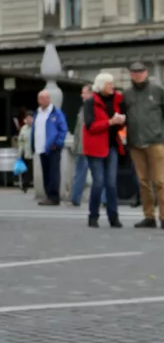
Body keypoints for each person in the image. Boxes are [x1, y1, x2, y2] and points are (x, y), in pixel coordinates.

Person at [123, 60, 164, 229]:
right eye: (134, 72)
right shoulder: (126, 94)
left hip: (156, 142)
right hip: (135, 143)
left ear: (146, 73)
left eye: (140, 71)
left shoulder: (157, 91)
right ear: (131, 74)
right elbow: (122, 117)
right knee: (143, 182)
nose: (137, 74)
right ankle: (149, 216)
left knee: (160, 181)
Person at [84, 70, 126, 228]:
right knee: (99, 182)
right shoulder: (90, 103)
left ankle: (113, 216)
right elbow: (90, 126)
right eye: (109, 84)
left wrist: (121, 121)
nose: (112, 86)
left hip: (112, 146)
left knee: (112, 183)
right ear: (101, 86)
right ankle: (93, 216)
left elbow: (118, 124)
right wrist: (109, 122)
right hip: (95, 148)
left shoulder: (116, 101)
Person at [32, 89, 68, 205]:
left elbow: (63, 129)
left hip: (52, 147)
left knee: (53, 173)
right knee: (46, 173)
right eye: (41, 98)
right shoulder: (37, 113)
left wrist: (58, 143)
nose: (44, 100)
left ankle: (54, 196)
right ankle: (48, 195)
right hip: (41, 147)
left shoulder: (56, 113)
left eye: (46, 98)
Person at [70, 85, 93, 206]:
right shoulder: (83, 108)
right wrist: (75, 146)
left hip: (88, 148)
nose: (81, 95)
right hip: (81, 148)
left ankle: (104, 199)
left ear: (91, 93)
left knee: (96, 174)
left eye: (83, 93)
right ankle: (75, 198)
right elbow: (78, 130)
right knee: (80, 173)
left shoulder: (92, 108)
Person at [17, 113, 34, 192]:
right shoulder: (23, 128)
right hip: (25, 152)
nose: (29, 120)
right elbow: (20, 141)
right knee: (24, 170)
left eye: (30, 118)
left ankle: (29, 183)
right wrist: (20, 153)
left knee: (31, 170)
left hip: (33, 153)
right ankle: (24, 185)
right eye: (27, 118)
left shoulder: (35, 128)